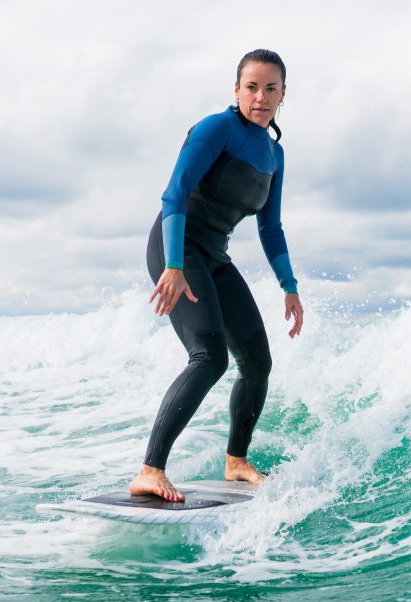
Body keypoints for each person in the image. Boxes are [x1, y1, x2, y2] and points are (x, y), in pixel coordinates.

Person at [129, 49, 304, 502]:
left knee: (257, 362)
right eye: (251, 87)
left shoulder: (274, 154)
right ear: (236, 90)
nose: (260, 97)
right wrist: (172, 265)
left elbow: (271, 226)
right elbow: (174, 195)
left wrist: (290, 287)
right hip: (178, 247)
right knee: (209, 356)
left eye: (271, 88)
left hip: (214, 256)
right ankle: (150, 468)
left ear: (284, 94)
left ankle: (236, 461)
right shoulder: (215, 129)